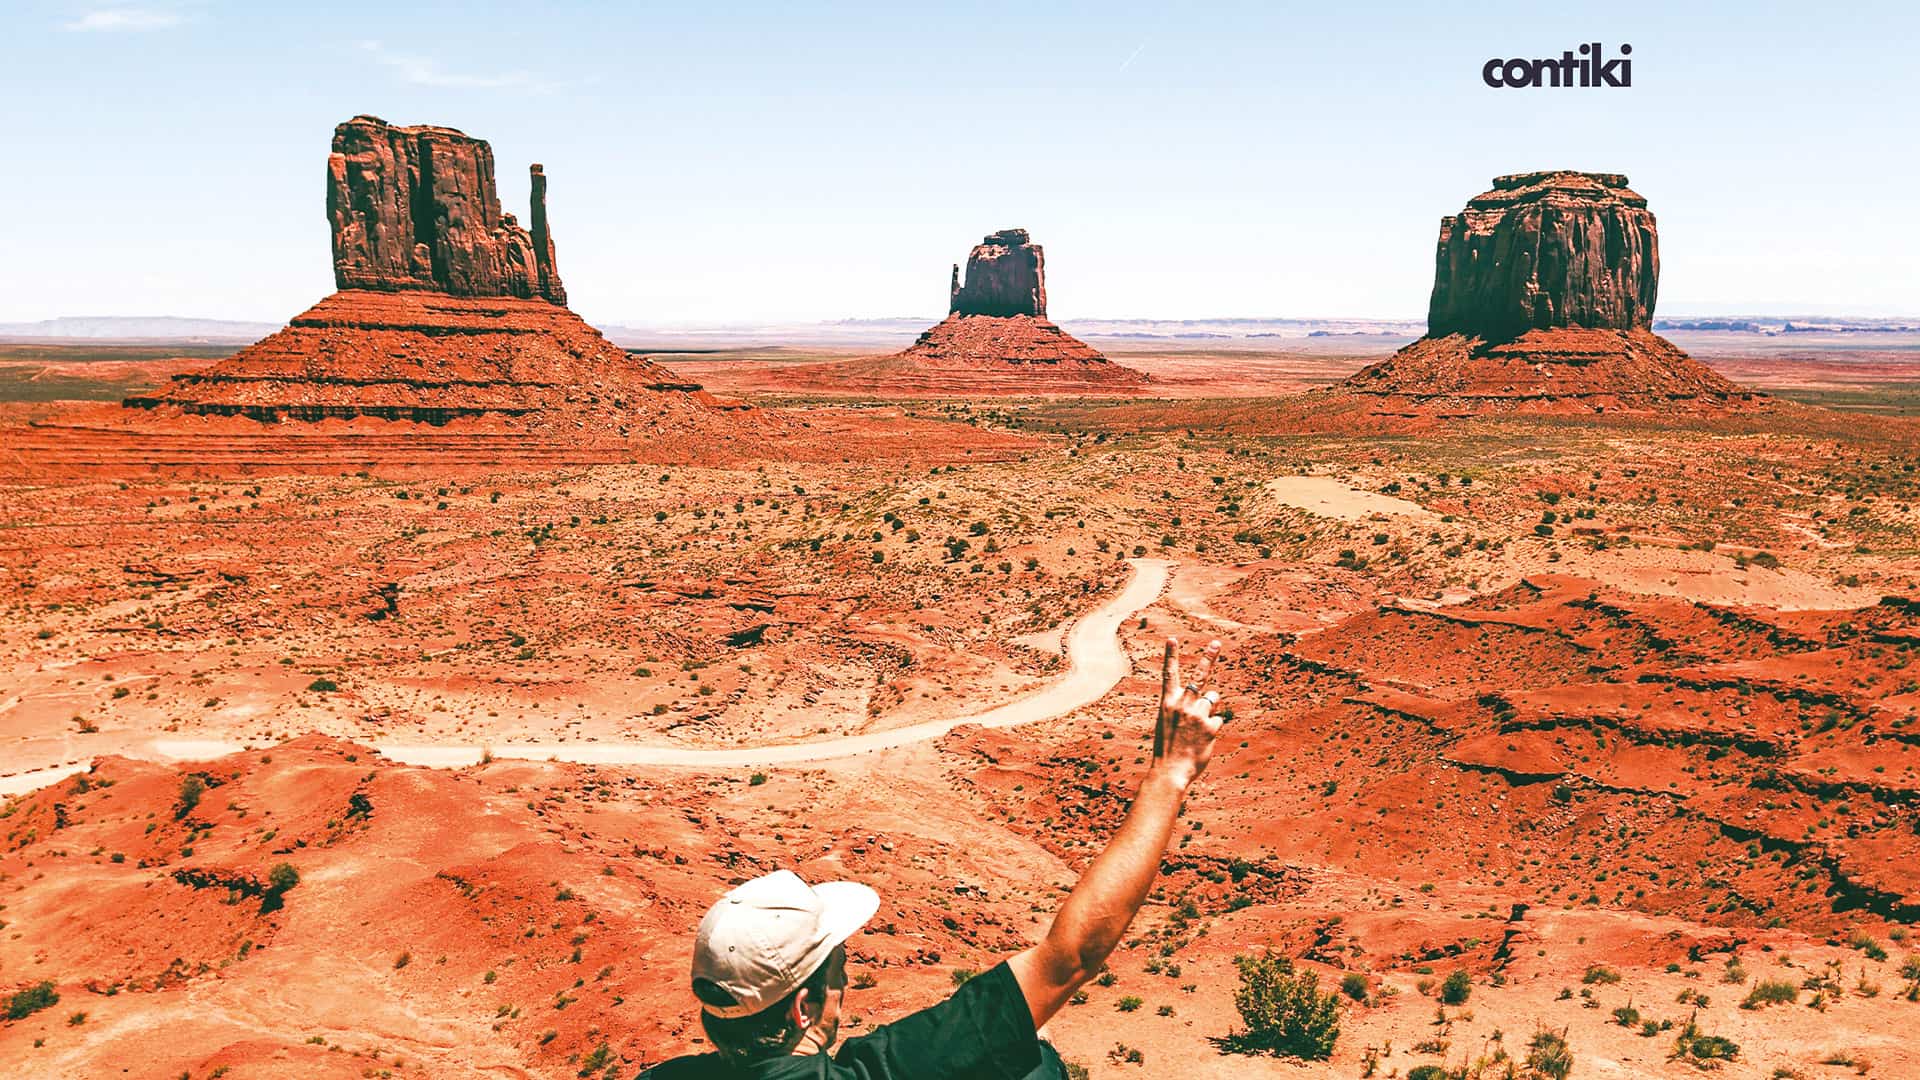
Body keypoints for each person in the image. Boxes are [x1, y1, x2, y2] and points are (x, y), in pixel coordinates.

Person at [641, 638, 1227, 1079]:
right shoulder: (888, 1069)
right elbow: (1070, 957)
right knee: (1029, 1065)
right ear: (802, 1008)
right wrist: (1169, 776)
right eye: (837, 968)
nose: (844, 980)